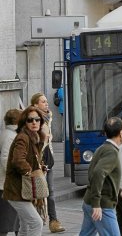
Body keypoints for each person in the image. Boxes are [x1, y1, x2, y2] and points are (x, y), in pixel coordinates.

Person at [80, 117, 122, 236]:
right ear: (121, 133)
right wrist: (97, 204)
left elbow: (104, 178)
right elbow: (98, 173)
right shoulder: (111, 152)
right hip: (102, 206)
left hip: (89, 201)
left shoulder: (102, 148)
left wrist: (120, 191)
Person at [3, 106, 46, 236]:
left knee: (25, 225)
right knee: (36, 223)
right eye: (30, 120)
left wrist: (41, 167)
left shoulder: (34, 138)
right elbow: (17, 160)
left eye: (37, 120)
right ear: (24, 122)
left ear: (41, 122)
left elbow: (31, 159)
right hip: (17, 190)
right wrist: (30, 173)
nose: (34, 122)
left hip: (22, 190)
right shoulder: (23, 137)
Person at [31, 92, 65, 233]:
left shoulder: (47, 118)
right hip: (38, 162)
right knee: (36, 193)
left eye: (46, 101)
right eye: (43, 101)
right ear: (35, 105)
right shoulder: (32, 120)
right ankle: (34, 220)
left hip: (48, 160)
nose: (47, 103)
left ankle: (53, 221)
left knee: (50, 191)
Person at [0, 109, 22, 236]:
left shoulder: (7, 133)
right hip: (7, 184)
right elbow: (5, 159)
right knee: (9, 218)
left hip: (5, 183)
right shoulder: (11, 136)